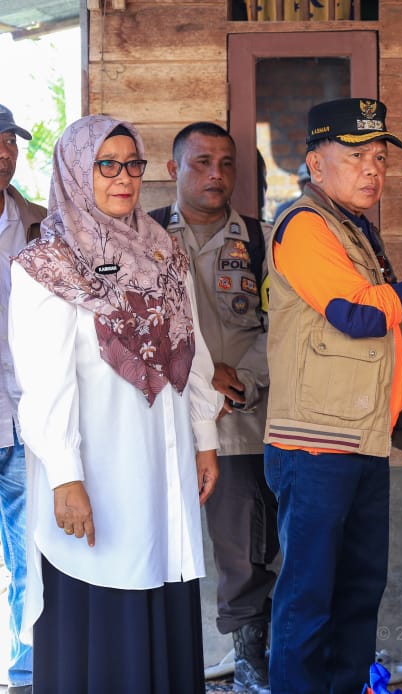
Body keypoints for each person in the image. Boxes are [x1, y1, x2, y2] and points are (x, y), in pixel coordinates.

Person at [263, 97, 402, 692]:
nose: (372, 169)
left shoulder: (355, 230)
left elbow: (376, 340)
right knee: (309, 598)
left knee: (358, 593)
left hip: (360, 440)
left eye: (380, 157)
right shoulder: (304, 226)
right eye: (355, 155)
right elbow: (358, 317)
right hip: (314, 446)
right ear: (314, 162)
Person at [9, 115, 223, 693]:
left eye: (133, 164)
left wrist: (205, 439)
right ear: (78, 171)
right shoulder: (47, 265)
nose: (123, 177)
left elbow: (194, 350)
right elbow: (46, 385)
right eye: (107, 164)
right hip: (98, 469)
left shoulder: (162, 252)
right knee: (104, 598)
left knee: (163, 581)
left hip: (164, 462)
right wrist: (65, 478)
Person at [149, 122, 277, 694]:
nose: (215, 175)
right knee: (154, 545)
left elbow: (283, 328)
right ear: (174, 168)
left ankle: (250, 668)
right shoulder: (139, 237)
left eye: (226, 164)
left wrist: (238, 381)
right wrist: (196, 381)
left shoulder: (263, 241)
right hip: (162, 427)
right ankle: (157, 662)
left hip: (241, 426)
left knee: (245, 554)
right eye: (201, 162)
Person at [0, 104, 43, 694]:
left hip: (27, 416)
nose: (5, 152)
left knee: (31, 558)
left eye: (10, 141)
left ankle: (29, 674)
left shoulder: (41, 225)